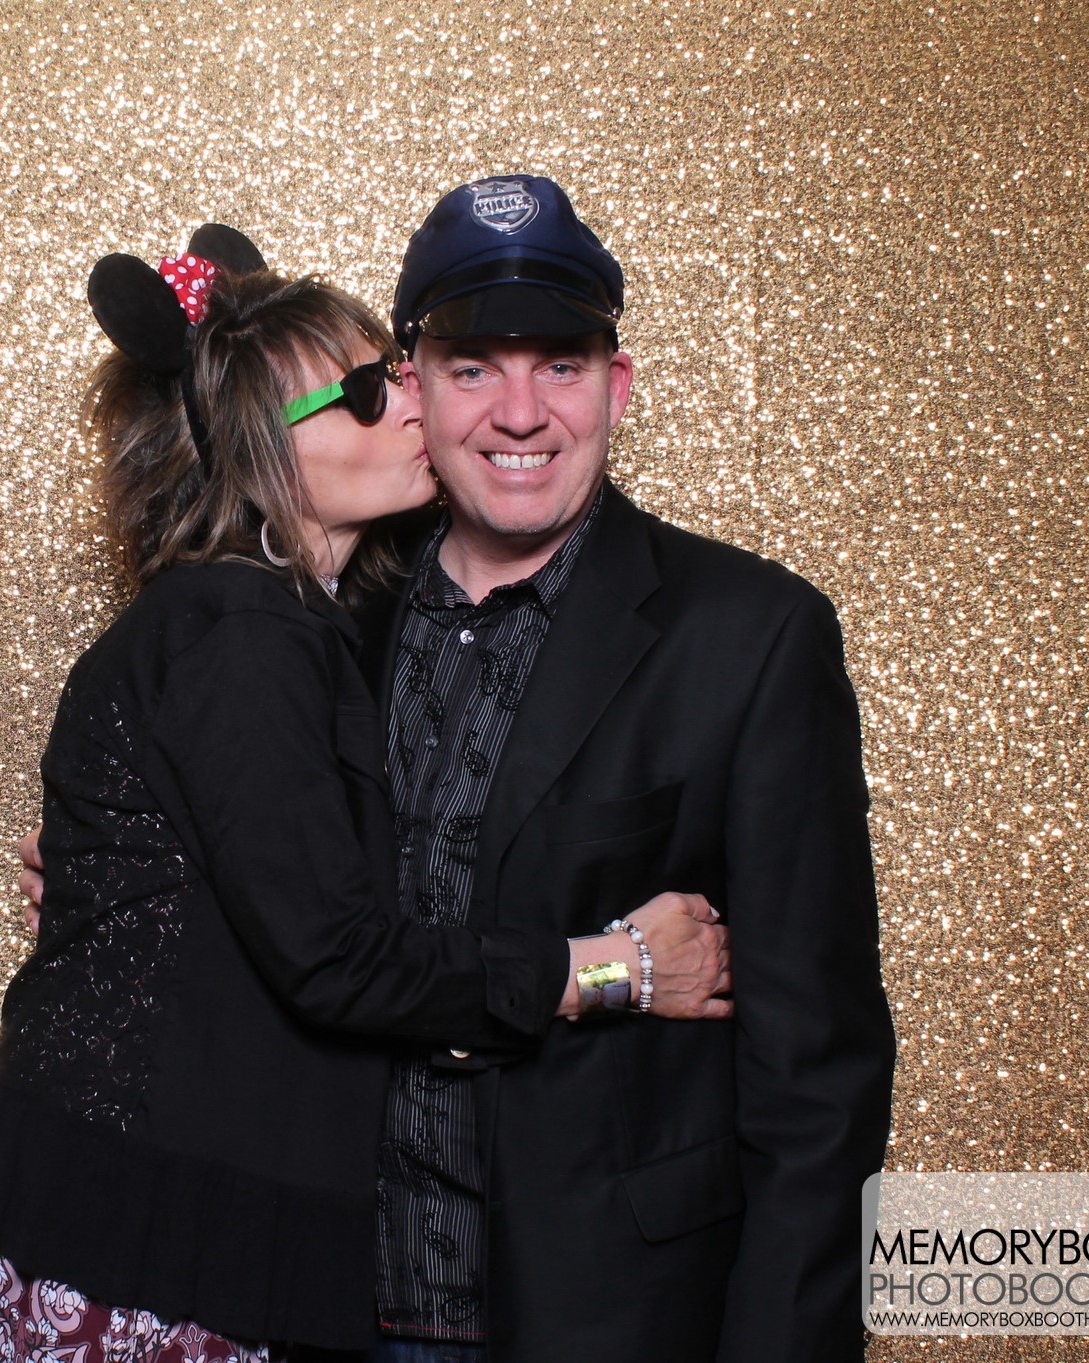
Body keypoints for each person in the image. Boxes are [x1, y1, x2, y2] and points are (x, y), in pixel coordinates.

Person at [0, 227, 731, 1362]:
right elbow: (334, 954)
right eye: (362, 395)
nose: (411, 405)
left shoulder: (307, 629)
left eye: (394, 373)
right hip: (132, 1251)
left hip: (192, 1239)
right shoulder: (237, 633)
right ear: (261, 450)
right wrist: (618, 968)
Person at [350, 174, 898, 1362]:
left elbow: (817, 1077)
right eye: (471, 368)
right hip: (325, 1306)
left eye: (559, 364)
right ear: (411, 391)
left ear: (617, 386)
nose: (519, 413)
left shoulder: (749, 636)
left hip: (611, 1319)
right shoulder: (328, 622)